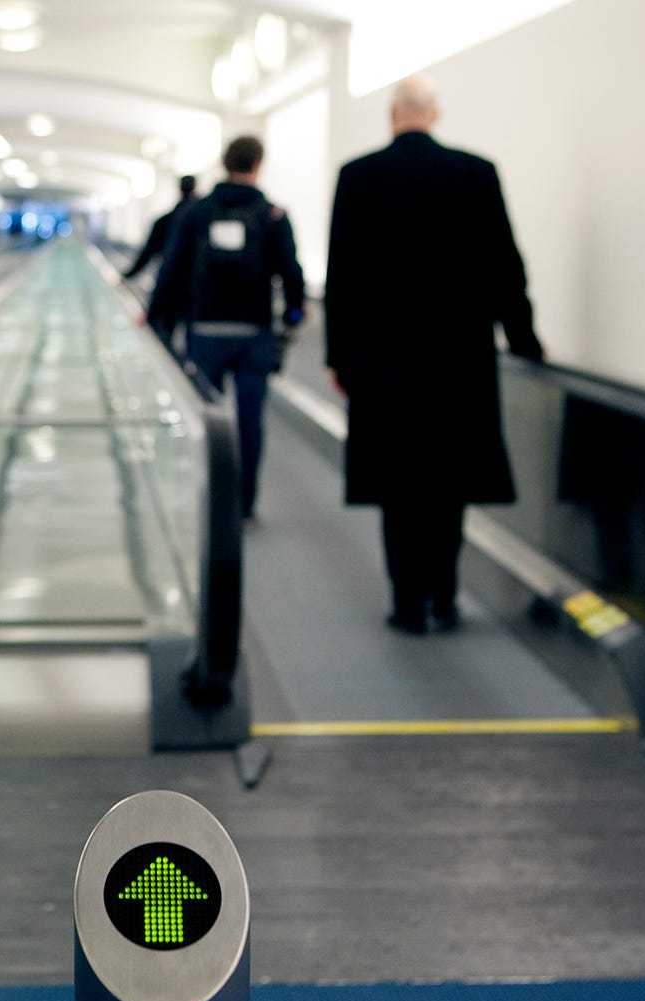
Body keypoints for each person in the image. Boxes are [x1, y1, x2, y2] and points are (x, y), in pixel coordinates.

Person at [324, 75, 545, 635]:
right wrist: (523, 340)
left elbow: (341, 275)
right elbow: (505, 264)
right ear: (435, 114)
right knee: (449, 482)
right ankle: (444, 596)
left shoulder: (358, 177)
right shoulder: (476, 173)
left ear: (392, 115)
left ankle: (406, 604)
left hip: (383, 361)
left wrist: (339, 358)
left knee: (397, 485)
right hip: (459, 357)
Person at [149, 136, 306, 528]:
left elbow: (172, 266)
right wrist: (293, 314)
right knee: (250, 421)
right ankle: (245, 506)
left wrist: (156, 316)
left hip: (205, 329)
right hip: (254, 332)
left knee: (206, 417)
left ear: (223, 162)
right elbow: (291, 272)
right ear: (258, 165)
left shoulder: (198, 212)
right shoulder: (272, 215)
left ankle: (206, 499)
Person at [124, 174, 199, 280]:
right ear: (195, 188)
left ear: (179, 188)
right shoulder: (204, 220)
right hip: (197, 283)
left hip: (173, 279)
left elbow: (148, 252)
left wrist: (129, 275)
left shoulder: (164, 221)